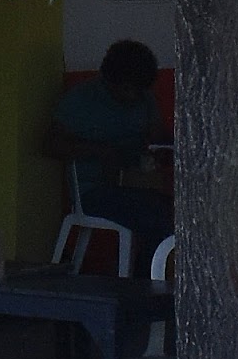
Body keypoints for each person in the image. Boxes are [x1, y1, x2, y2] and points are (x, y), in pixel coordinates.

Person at [44, 41, 169, 256]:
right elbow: (50, 144)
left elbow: (158, 136)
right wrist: (100, 151)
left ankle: (154, 276)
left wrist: (160, 153)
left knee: (172, 211)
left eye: (139, 91)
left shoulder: (144, 99)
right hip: (93, 192)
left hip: (137, 185)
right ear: (111, 81)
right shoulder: (81, 100)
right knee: (154, 216)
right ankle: (145, 283)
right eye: (128, 89)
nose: (133, 97)